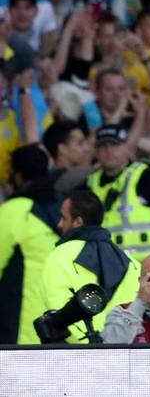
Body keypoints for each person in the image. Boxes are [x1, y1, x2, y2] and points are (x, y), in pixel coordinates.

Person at [41, 190, 140, 344]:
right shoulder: (131, 262)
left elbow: (60, 315)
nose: (59, 224)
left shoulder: (60, 256)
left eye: (63, 217)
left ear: (78, 222)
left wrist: (93, 348)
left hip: (83, 358)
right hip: (126, 354)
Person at [86, 125, 150, 267]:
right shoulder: (91, 183)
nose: (108, 151)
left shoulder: (146, 175)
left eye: (115, 145)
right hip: (114, 275)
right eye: (103, 146)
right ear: (95, 152)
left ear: (127, 147)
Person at [0, 145, 62, 344]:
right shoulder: (65, 205)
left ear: (17, 176)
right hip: (67, 323)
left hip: (24, 328)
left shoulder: (14, 211)